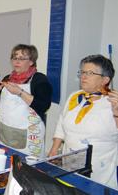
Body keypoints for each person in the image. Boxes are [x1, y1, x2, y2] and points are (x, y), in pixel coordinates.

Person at [48, 54, 118, 189]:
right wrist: (54, 149)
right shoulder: (75, 97)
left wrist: (116, 114)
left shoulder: (113, 102)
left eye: (90, 73)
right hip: (70, 166)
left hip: (99, 173)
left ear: (105, 79)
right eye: (82, 72)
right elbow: (61, 122)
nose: (83, 76)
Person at [0, 44, 52, 157]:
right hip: (5, 132)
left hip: (29, 137)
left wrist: (20, 92)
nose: (16, 61)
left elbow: (43, 106)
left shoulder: (39, 80)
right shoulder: (7, 78)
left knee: (27, 170)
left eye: (22, 58)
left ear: (31, 61)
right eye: (14, 57)